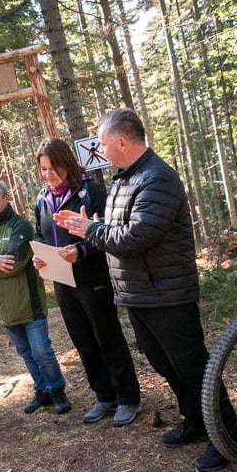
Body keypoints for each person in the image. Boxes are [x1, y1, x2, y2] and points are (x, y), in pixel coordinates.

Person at [56, 108, 237, 472]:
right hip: (138, 292)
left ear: (121, 142)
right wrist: (93, 226)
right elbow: (118, 227)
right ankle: (194, 420)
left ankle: (225, 435)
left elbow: (135, 237)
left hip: (167, 293)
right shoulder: (124, 179)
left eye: (104, 143)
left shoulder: (158, 178)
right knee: (162, 362)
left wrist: (88, 229)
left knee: (192, 366)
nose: (101, 151)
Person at [33, 138, 141, 426]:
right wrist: (41, 257)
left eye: (54, 167)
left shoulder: (90, 191)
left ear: (66, 163)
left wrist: (79, 251)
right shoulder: (42, 199)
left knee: (107, 336)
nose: (49, 174)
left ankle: (127, 398)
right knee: (83, 340)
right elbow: (41, 236)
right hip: (61, 280)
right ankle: (104, 396)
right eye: (43, 169)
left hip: (93, 277)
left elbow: (107, 232)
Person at [0, 179, 71, 414]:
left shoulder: (21, 227)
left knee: (41, 352)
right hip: (5, 307)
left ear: (6, 198)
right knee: (25, 354)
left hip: (30, 304)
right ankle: (42, 391)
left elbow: (13, 264)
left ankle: (58, 391)